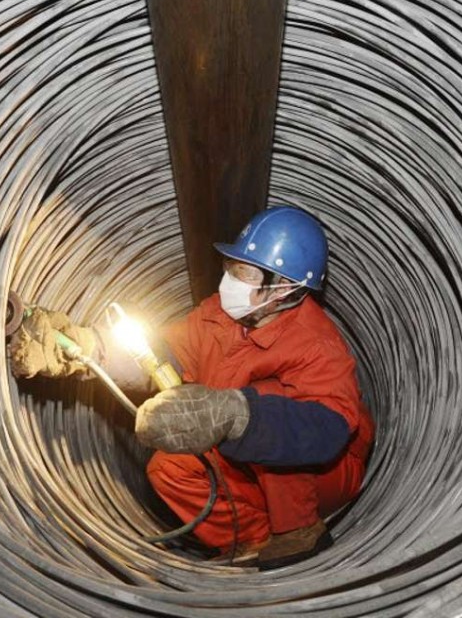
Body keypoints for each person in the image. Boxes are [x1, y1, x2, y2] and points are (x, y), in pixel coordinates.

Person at [124, 206, 374, 568]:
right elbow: (164, 353)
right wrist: (93, 348)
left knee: (271, 408)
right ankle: (253, 539)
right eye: (231, 268)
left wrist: (239, 416)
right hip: (250, 463)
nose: (229, 281)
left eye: (243, 274)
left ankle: (297, 535)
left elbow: (328, 429)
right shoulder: (219, 316)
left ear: (284, 287)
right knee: (169, 467)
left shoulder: (316, 345)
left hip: (324, 471)